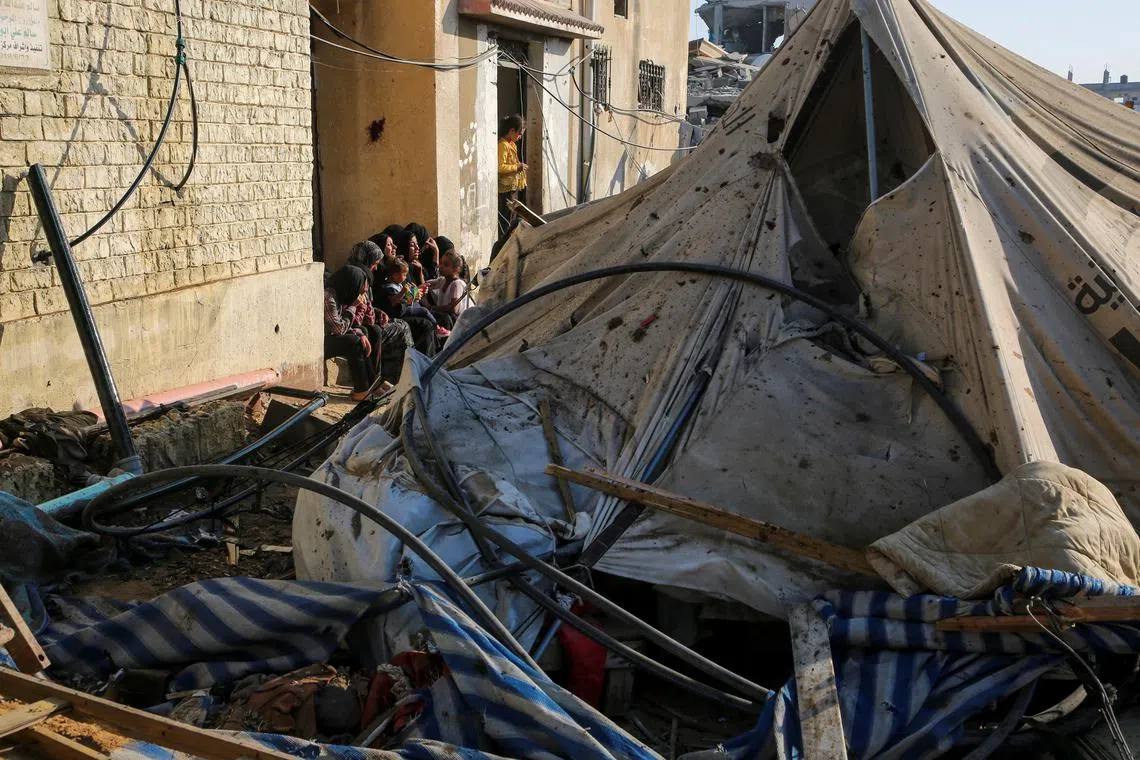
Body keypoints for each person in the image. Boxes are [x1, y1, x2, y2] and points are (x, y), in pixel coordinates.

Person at [323, 266, 380, 401]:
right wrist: (353, 306)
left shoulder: (340, 296)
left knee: (363, 333)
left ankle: (372, 385)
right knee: (353, 342)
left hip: (329, 336)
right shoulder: (328, 297)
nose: (361, 295)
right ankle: (362, 390)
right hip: (316, 343)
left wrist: (360, 334)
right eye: (360, 291)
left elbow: (345, 324)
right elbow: (338, 329)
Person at [377, 258, 447, 354]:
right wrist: (403, 292)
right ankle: (437, 329)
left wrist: (416, 292)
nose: (406, 277)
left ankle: (438, 345)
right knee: (424, 315)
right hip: (399, 314)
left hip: (407, 308)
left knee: (441, 316)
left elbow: (408, 300)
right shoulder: (388, 287)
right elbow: (394, 302)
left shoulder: (399, 284)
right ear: (396, 275)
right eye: (404, 275)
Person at [498, 114, 527, 241]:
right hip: (505, 190)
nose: (520, 137)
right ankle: (504, 245)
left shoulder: (511, 145)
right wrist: (517, 167)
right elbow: (499, 167)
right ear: (511, 131)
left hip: (512, 188)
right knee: (506, 221)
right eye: (519, 134)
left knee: (512, 219)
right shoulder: (503, 145)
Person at [424, 250, 470, 330]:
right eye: (441, 263)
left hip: (462, 326)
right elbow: (425, 285)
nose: (441, 266)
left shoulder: (457, 284)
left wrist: (431, 307)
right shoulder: (442, 280)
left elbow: (453, 309)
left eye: (446, 265)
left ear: (456, 269)